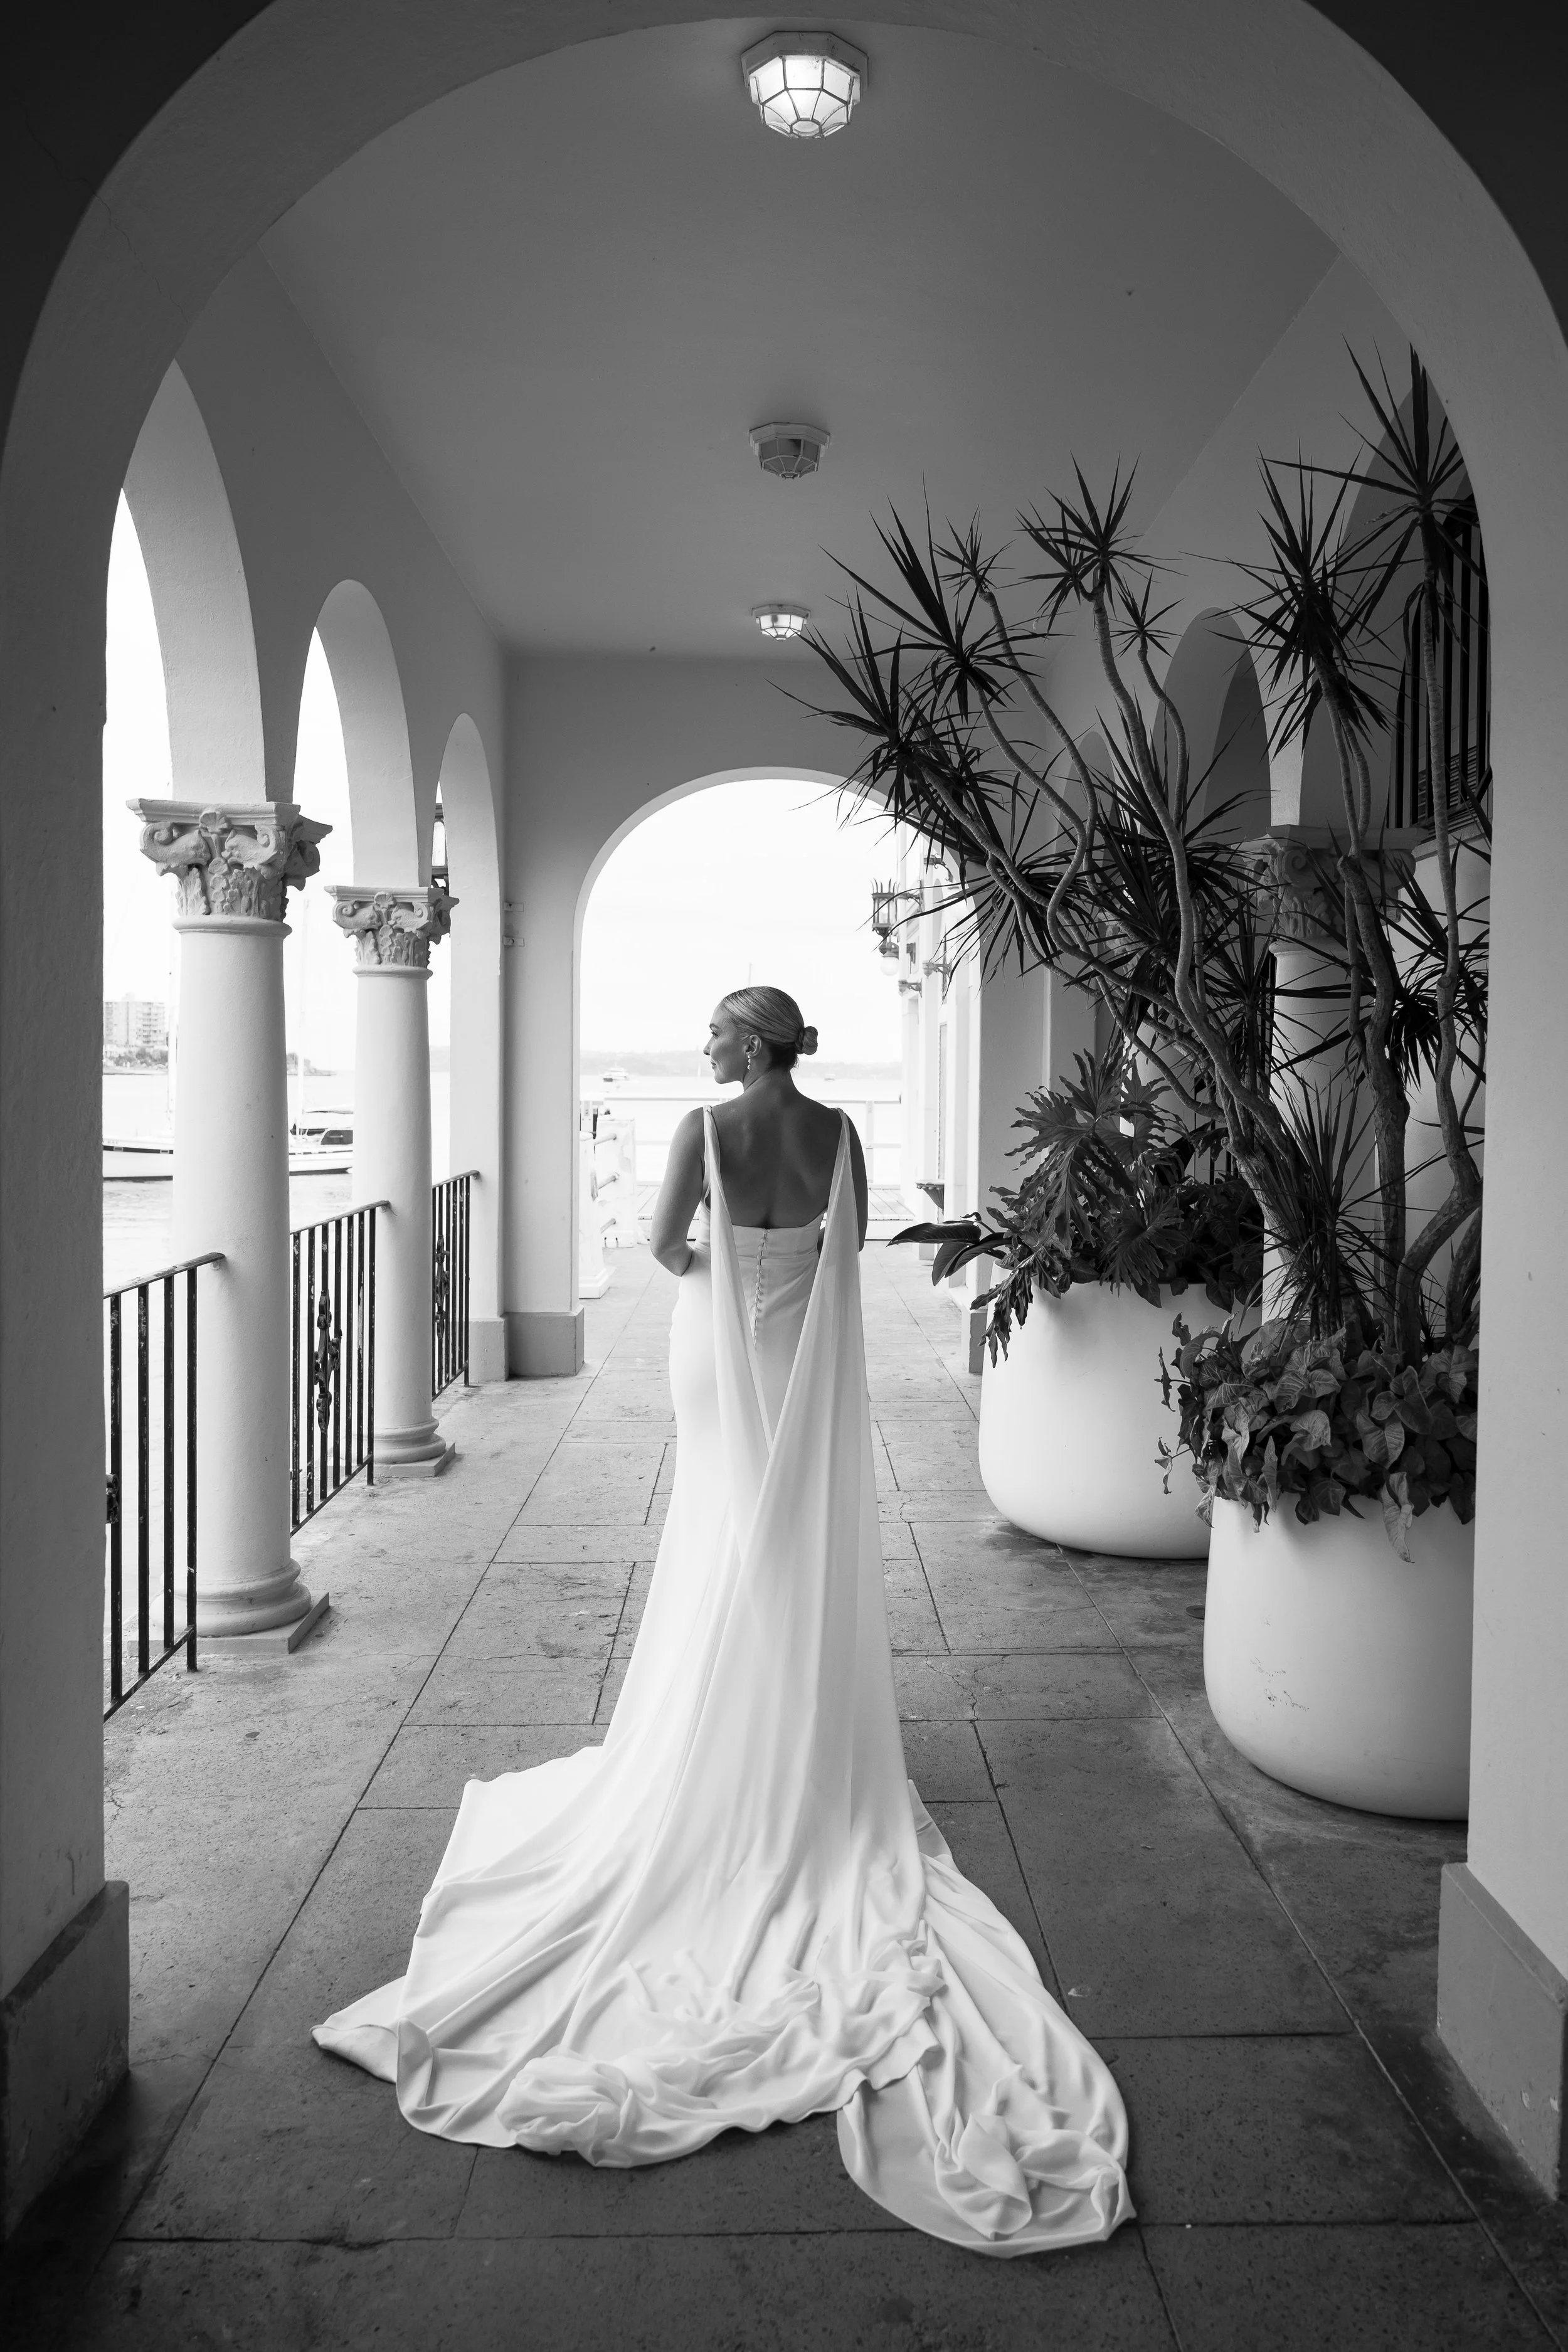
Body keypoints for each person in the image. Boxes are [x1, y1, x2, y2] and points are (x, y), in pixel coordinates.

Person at [315, 985, 1131, 2255]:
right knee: (785, 1537)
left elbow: (658, 1248)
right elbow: (847, 1254)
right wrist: (781, 1288)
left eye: (713, 1032)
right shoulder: (844, 1130)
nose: (701, 1047)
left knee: (715, 1532)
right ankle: (780, 1713)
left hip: (717, 1344)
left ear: (747, 1046)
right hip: (797, 1346)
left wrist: (719, 1272)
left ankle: (715, 1713)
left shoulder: (701, 1129)